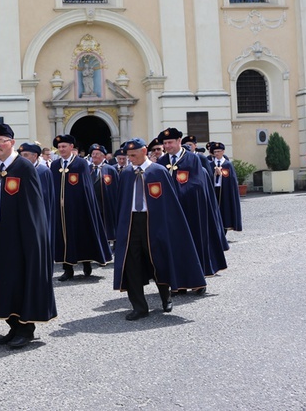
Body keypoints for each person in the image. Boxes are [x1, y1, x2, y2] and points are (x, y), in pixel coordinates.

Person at [0, 124, 56, 349]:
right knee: (1, 280)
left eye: (2, 141)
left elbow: (33, 207)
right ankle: (13, 324)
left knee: (19, 280)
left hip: (18, 235)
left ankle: (25, 329)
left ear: (12, 143)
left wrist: (33, 240)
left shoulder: (23, 167)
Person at [113, 138, 207, 320]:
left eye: (133, 155)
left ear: (144, 151)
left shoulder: (159, 171)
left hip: (154, 223)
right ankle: (139, 307)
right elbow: (121, 202)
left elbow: (170, 203)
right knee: (131, 264)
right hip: (132, 222)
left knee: (159, 260)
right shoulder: (125, 174)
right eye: (128, 155)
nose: (130, 159)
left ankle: (166, 296)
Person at [157, 128, 228, 282]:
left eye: (170, 142)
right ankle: (178, 281)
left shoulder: (192, 159)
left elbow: (197, 184)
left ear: (179, 141)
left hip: (191, 210)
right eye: (165, 143)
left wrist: (177, 195)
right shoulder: (162, 162)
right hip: (169, 214)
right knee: (174, 247)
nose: (167, 146)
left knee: (195, 245)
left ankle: (198, 279)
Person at [50, 134, 111, 281]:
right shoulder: (55, 165)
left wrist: (84, 205)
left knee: (82, 234)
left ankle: (86, 262)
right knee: (63, 237)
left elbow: (86, 187)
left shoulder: (80, 164)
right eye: (59, 147)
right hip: (61, 210)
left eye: (64, 146)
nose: (61, 149)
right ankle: (67, 268)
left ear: (72, 147)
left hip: (79, 208)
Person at [18, 142, 57, 255]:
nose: (22, 158)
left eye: (26, 155)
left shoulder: (44, 171)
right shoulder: (18, 170)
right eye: (21, 155)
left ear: (35, 156)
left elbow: (49, 196)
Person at [88, 143, 120, 243]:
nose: (94, 156)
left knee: (106, 227)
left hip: (105, 205)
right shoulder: (87, 169)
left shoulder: (110, 170)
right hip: (91, 204)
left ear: (103, 156)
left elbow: (116, 188)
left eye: (97, 154)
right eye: (93, 154)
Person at [209, 142, 242, 233]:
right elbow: (206, 179)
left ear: (223, 151)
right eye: (215, 152)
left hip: (225, 191)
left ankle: (224, 229)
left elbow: (232, 181)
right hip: (214, 190)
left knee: (225, 211)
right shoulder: (210, 165)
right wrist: (214, 175)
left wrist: (222, 175)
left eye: (219, 151)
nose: (217, 153)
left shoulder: (228, 165)